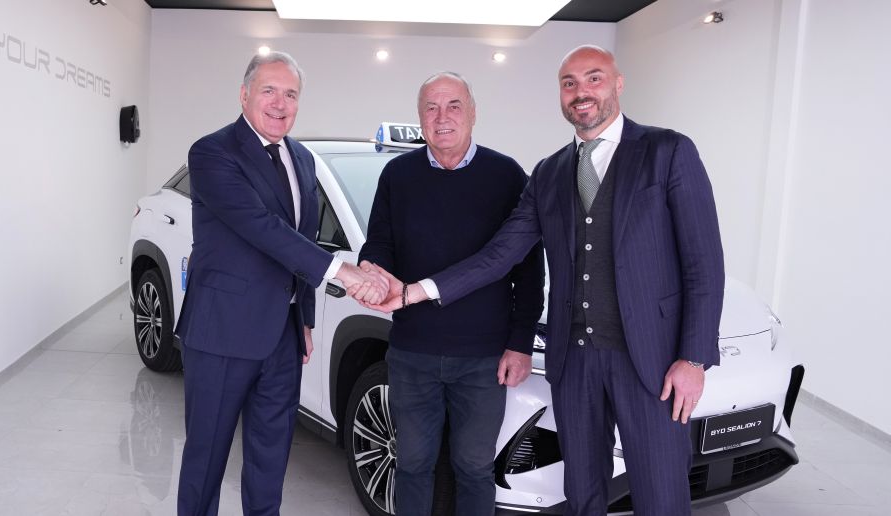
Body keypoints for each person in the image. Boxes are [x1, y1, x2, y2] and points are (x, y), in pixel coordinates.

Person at [357, 46, 725, 515]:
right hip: (576, 362)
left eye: (593, 78)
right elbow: (500, 255)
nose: (581, 92)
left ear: (618, 83)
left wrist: (693, 357)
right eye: (569, 83)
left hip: (651, 361)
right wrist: (414, 292)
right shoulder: (549, 173)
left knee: (660, 494)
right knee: (582, 493)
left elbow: (703, 264)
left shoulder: (667, 151)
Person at [174, 51, 388, 516]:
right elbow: (261, 228)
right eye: (268, 90)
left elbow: (302, 239)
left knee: (270, 461)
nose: (280, 103)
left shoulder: (303, 159)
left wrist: (304, 317)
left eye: (290, 94)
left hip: (283, 337)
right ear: (244, 94)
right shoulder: (212, 152)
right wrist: (343, 272)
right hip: (222, 333)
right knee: (206, 458)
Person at [357, 71, 544, 516]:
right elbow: (380, 242)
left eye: (453, 106)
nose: (442, 117)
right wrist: (370, 268)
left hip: (483, 358)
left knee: (475, 467)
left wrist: (520, 342)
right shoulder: (397, 174)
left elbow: (528, 267)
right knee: (412, 464)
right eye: (431, 107)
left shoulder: (506, 175)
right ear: (420, 117)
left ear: (473, 113)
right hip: (412, 352)